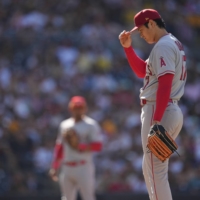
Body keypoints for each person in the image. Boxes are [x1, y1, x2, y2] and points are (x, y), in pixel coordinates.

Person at [119, 9, 187, 200]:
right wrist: (128, 48)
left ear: (151, 23)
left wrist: (156, 120)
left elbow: (165, 83)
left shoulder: (163, 45)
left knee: (155, 170)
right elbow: (143, 72)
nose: (140, 34)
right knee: (150, 167)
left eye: (141, 30)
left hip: (160, 110)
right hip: (168, 109)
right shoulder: (170, 43)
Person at [49, 96, 103, 200]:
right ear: (71, 108)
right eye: (75, 107)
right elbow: (60, 147)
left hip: (83, 166)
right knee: (67, 198)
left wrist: (81, 146)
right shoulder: (64, 125)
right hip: (67, 167)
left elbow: (98, 145)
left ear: (85, 108)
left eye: (80, 107)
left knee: (88, 197)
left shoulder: (91, 125)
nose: (78, 110)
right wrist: (55, 166)